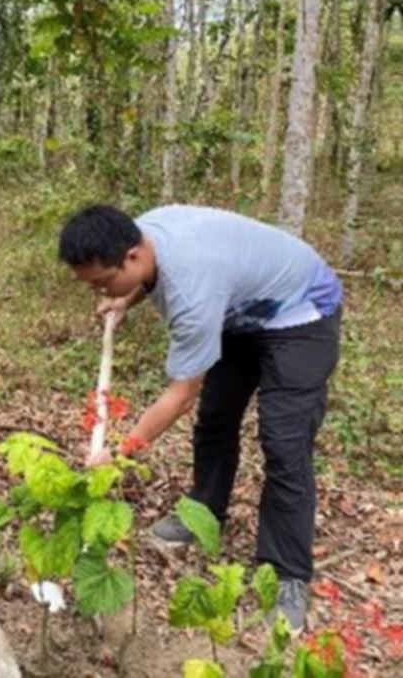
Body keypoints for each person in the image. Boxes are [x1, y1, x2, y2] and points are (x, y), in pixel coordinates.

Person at [58, 204, 342, 632]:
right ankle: (204, 514)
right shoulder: (145, 234)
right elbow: (152, 278)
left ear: (131, 255)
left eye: (103, 283)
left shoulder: (193, 291)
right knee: (215, 420)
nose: (99, 292)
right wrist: (125, 297)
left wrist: (118, 453)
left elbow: (180, 394)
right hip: (240, 310)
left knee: (284, 443)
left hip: (301, 311)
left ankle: (287, 575)